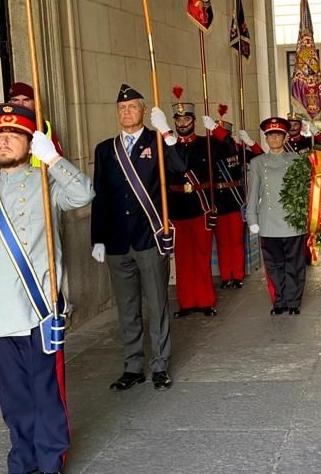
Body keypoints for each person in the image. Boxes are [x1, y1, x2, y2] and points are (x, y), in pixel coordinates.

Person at [0, 103, 94, 474]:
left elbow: (83, 194)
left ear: (29, 144)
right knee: (14, 400)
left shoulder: (46, 183)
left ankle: (50, 462)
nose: (4, 141)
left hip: (39, 311)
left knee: (46, 394)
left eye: (14, 135)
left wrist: (52, 160)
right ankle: (23, 461)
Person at [90, 84, 185, 392]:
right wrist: (98, 238)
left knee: (157, 304)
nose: (126, 112)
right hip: (117, 242)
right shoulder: (106, 149)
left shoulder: (156, 141)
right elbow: (100, 196)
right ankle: (132, 366)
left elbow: (180, 168)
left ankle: (159, 365)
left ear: (143, 111)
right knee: (127, 307)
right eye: (121, 108)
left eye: (132, 107)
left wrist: (167, 133)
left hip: (149, 238)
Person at [166, 90, 234, 317]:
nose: (182, 123)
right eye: (178, 119)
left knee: (202, 256)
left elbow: (230, 149)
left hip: (201, 206)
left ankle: (205, 301)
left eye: (186, 119)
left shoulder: (207, 143)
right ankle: (186, 302)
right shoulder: (167, 146)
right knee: (183, 258)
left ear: (194, 122)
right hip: (176, 207)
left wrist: (216, 129)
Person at [246, 117, 306, 315]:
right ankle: (279, 301)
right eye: (270, 135)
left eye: (278, 134)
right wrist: (252, 219)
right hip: (268, 221)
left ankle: (294, 301)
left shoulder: (296, 160)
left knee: (294, 265)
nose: (274, 138)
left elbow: (305, 190)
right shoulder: (257, 163)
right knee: (274, 265)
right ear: (266, 138)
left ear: (285, 137)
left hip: (292, 221)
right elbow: (253, 192)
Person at [211, 117, 261, 289]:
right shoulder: (210, 150)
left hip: (234, 200)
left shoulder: (237, 149)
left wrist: (251, 143)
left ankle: (237, 275)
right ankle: (226, 276)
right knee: (222, 243)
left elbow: (259, 157)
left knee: (236, 242)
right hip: (216, 202)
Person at [0, 82, 64, 179]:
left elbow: (58, 160)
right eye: (15, 100)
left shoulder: (44, 127)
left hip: (41, 182)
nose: (20, 104)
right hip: (9, 183)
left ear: (35, 103)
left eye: (26, 100)